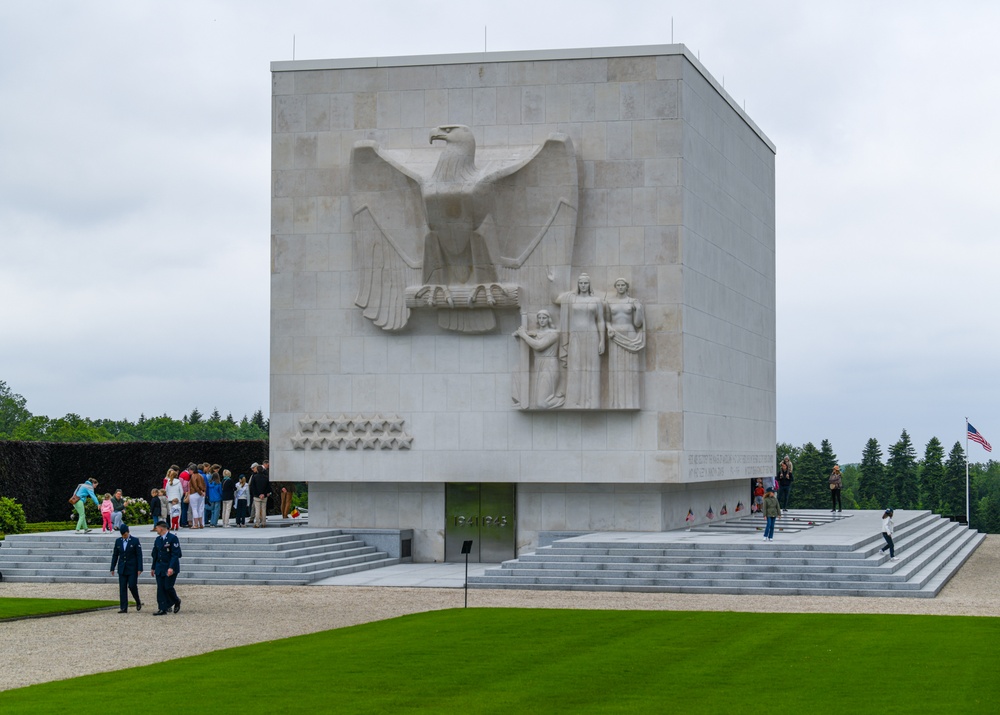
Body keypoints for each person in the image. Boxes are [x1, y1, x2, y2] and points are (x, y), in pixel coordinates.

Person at [554, 273, 606, 409]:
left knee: (591, 367)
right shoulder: (571, 299)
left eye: (586, 283)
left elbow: (601, 321)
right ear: (578, 285)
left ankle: (591, 401)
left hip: (592, 336)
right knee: (575, 367)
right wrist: (571, 291)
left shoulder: (596, 301)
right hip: (576, 336)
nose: (583, 286)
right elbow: (556, 298)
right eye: (581, 283)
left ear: (590, 285)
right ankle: (574, 401)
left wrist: (602, 341)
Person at [605, 278, 645, 409]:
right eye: (618, 285)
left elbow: (638, 323)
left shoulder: (633, 302)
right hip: (615, 336)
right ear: (615, 287)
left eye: (623, 285)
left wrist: (638, 310)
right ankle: (616, 402)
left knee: (630, 369)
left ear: (626, 287)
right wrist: (609, 328)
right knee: (615, 368)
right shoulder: (609, 302)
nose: (620, 287)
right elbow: (606, 320)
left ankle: (631, 402)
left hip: (630, 335)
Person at [513, 309, 564, 408]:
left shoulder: (554, 333)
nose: (541, 320)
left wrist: (523, 335)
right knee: (537, 401)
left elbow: (539, 346)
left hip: (549, 366)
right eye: (539, 318)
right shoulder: (534, 334)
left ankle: (562, 398)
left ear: (549, 319)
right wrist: (519, 337)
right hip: (538, 365)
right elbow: (525, 349)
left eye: (544, 318)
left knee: (541, 403)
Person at [110, 524, 143, 613]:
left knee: (132, 585)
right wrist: (112, 567)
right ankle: (123, 607)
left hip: (132, 567)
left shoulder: (135, 541)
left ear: (128, 532)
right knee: (122, 588)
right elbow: (115, 555)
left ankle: (137, 600)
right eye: (123, 535)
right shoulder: (118, 541)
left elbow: (139, 555)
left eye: (125, 534)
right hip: (122, 567)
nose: (124, 536)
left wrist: (140, 568)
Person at [150, 521, 181, 615]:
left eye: (157, 528)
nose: (156, 530)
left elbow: (175, 554)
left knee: (168, 587)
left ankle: (176, 600)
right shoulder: (158, 539)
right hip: (160, 567)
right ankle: (162, 608)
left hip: (169, 567)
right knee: (160, 588)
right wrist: (153, 567)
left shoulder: (173, 538)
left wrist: (171, 567)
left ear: (161, 528)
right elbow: (155, 554)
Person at [248, 462, 271, 528]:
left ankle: (257, 523)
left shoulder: (255, 477)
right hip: (264, 496)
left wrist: (258, 494)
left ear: (257, 470)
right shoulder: (266, 478)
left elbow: (253, 487)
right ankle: (263, 523)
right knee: (263, 510)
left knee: (257, 510)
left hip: (257, 496)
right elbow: (268, 487)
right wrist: (263, 494)